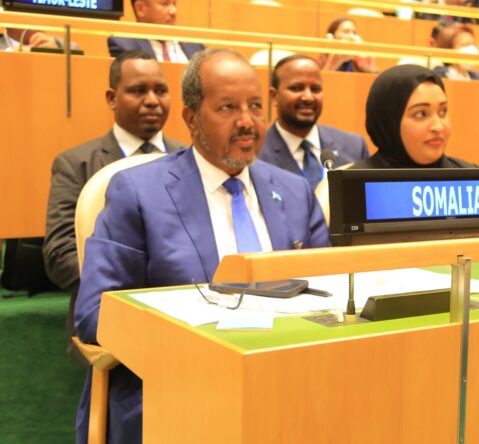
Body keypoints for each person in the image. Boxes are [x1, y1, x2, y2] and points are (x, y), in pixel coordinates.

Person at [73, 48, 329, 444]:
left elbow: (330, 293)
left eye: (256, 106)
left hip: (285, 382)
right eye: (227, 107)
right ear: (191, 118)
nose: (247, 122)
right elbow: (95, 313)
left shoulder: (294, 192)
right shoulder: (137, 192)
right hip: (180, 387)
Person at [43, 50, 185, 365]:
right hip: (109, 318)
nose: (152, 100)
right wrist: (136, 292)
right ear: (112, 97)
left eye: (160, 90)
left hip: (188, 313)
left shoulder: (191, 159)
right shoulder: (76, 164)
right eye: (138, 90)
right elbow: (60, 254)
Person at [259, 55, 369, 189]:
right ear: (274, 96)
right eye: (297, 88)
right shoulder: (256, 154)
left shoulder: (354, 147)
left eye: (315, 89)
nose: (308, 97)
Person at [352, 64, 477, 169]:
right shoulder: (353, 186)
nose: (438, 127)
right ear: (389, 123)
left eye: (442, 112)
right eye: (421, 114)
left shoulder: (472, 179)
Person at [108, 0, 205, 62]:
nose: (173, 11)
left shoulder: (196, 47)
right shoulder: (125, 46)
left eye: (174, 4)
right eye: (165, 4)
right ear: (140, 9)